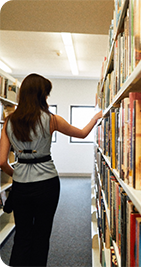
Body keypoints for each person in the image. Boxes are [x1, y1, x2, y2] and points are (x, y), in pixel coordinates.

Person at [0, 73, 102, 266]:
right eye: (46, 94)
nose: (47, 97)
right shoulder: (52, 119)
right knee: (41, 235)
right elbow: (81, 134)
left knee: (22, 237)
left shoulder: (9, 121)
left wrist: (18, 174)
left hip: (21, 186)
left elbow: (2, 161)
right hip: (47, 185)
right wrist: (95, 117)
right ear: (40, 95)